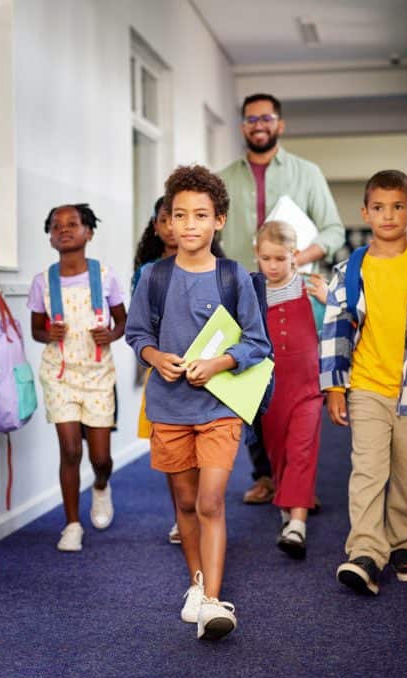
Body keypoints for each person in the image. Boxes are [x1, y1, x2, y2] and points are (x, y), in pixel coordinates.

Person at [126, 165, 270, 640]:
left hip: (219, 409)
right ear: (167, 221)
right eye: (180, 215)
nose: (189, 225)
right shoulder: (154, 277)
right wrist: (153, 356)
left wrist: (221, 363)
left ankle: (212, 602)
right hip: (168, 409)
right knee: (185, 504)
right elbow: (136, 332)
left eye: (201, 215)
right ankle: (197, 583)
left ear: (219, 221)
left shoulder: (234, 278)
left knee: (211, 501)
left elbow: (257, 342)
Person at [321, 170, 407, 595]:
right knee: (368, 470)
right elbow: (335, 330)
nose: (388, 215)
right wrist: (335, 386)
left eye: (398, 206)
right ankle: (365, 552)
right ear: (365, 212)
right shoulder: (349, 271)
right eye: (378, 207)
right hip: (366, 386)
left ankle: (404, 544)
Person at [218, 92, 345, 506]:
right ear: (242, 126)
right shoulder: (223, 180)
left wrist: (294, 259)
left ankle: (297, 480)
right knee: (249, 381)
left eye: (266, 117)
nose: (259, 124)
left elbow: (333, 232)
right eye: (251, 118)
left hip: (295, 295)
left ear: (279, 124)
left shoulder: (307, 174)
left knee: (297, 388)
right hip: (243, 295)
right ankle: (265, 475)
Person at [28, 203, 127, 552]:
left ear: (89, 232)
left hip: (98, 374)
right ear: (51, 237)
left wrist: (111, 335)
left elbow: (122, 320)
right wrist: (48, 333)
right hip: (60, 374)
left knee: (100, 457)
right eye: (57, 226)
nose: (64, 229)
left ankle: (101, 486)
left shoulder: (106, 276)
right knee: (70, 450)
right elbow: (36, 330)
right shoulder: (43, 281)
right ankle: (72, 524)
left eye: (73, 224)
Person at [255, 221, 328, 559]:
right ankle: (288, 505)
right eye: (266, 258)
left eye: (280, 259)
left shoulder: (311, 290)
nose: (273, 266)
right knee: (279, 451)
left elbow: (340, 330)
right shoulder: (252, 293)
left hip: (308, 386)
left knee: (302, 448)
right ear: (257, 255)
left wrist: (331, 303)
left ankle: (297, 523)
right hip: (268, 389)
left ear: (294, 256)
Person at [132, 197, 183, 545]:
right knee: (170, 449)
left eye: (177, 218)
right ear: (156, 226)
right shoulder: (146, 272)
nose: (172, 227)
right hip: (161, 370)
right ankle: (182, 516)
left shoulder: (216, 267)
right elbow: (139, 328)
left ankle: (197, 510)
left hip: (203, 369)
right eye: (164, 220)